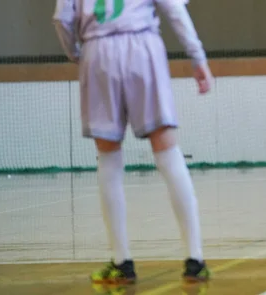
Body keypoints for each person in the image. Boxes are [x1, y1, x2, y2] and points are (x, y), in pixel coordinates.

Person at [52, 0, 213, 283]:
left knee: (108, 157)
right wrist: (198, 57)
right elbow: (175, 9)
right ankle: (195, 259)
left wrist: (76, 53)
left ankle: (121, 262)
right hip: (143, 45)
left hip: (97, 48)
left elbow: (62, 19)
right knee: (167, 149)